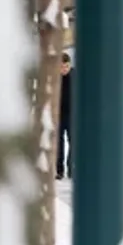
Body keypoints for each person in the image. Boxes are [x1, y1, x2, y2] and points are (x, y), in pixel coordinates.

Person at [56, 52, 73, 180]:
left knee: (74, 142)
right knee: (59, 143)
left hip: (73, 114)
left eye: (66, 66)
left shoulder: (76, 75)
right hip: (58, 114)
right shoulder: (55, 77)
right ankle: (59, 170)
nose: (64, 69)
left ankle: (71, 167)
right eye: (62, 67)